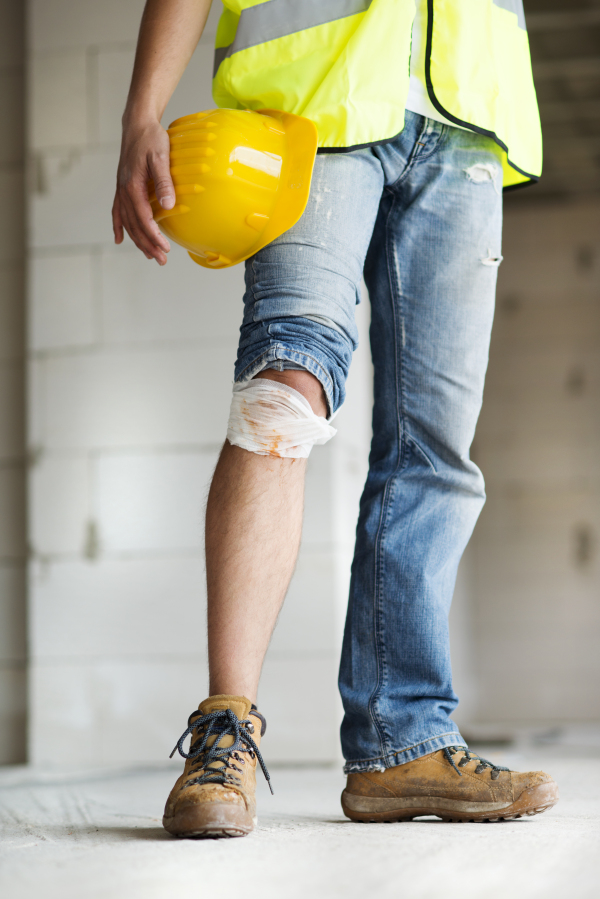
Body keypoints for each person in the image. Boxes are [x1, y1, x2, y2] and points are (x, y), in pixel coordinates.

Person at [113, 0, 558, 838]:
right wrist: (142, 109)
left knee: (437, 446)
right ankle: (224, 732)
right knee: (282, 395)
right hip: (310, 105)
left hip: (469, 117)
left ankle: (402, 742)